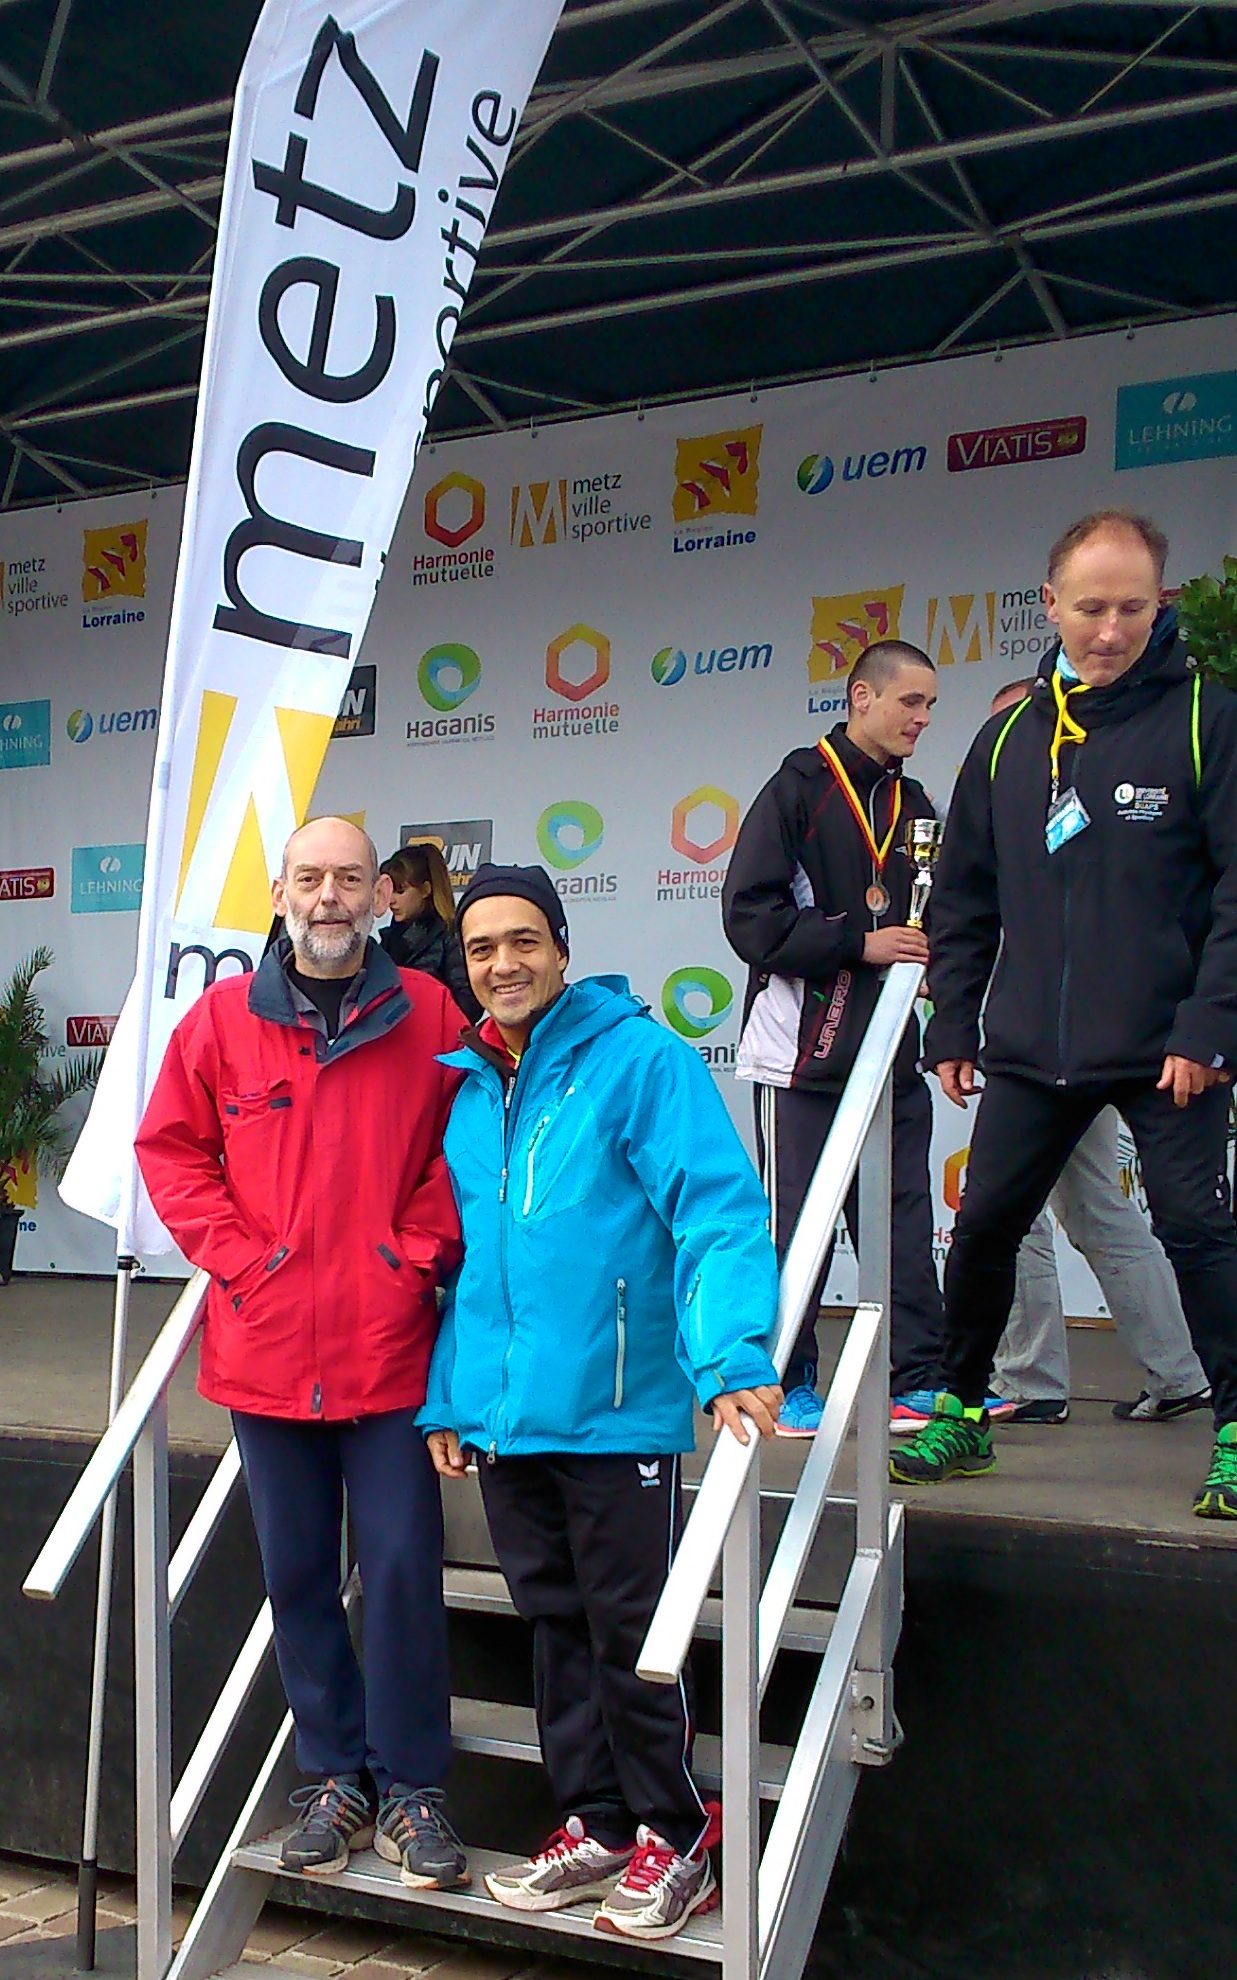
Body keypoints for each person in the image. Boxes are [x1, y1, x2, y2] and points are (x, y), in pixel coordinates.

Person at [421, 862, 782, 1941]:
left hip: (616, 1406)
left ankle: (679, 1835)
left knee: (631, 1630)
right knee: (554, 1625)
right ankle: (599, 1822)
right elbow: (472, 1267)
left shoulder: (640, 1060)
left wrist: (728, 1356)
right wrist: (449, 1398)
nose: (502, 965)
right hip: (509, 1416)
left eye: (522, 941)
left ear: (562, 948)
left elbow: (716, 1210)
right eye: (481, 949)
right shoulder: (470, 1088)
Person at [136, 817, 471, 1886]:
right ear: (279, 893)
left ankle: (413, 1788)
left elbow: (464, 1151)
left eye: (351, 879)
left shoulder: (430, 1014)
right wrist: (243, 1261)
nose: (331, 897)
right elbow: (171, 1152)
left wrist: (410, 1256)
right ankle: (331, 1777)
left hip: (387, 1350)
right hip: (267, 1349)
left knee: (404, 1567)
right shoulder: (221, 1019)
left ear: (381, 895)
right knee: (294, 1573)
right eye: (311, 879)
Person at [891, 511, 1237, 1519]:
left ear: (1160, 603)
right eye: (1089, 608)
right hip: (1033, 1048)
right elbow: (963, 896)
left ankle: (1233, 1429)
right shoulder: (1008, 736)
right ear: (1049, 605)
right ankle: (962, 1409)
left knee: (1194, 1228)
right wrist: (954, 1024)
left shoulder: (1206, 719)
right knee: (984, 1227)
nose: (1109, 630)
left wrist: (1208, 1027)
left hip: (1169, 1047)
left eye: (1131, 608)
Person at [723, 639, 1002, 1437]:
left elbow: (936, 919)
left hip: (888, 1049)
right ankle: (785, 1379)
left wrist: (940, 991)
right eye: (910, 702)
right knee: (796, 1223)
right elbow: (749, 917)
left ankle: (918, 1379)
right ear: (861, 697)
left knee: (903, 1218)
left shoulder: (914, 804)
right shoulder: (797, 789)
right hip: (803, 1052)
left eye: (930, 706)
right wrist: (858, 941)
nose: (922, 719)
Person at [981, 680, 1210, 1426]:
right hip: (1052, 1038)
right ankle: (1177, 1369)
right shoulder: (1009, 806)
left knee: (1014, 1214)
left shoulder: (1106, 806)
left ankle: (1030, 1379)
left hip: (1074, 1044)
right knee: (1094, 1208)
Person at [379, 841, 480, 1020]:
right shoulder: (389, 941)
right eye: (389, 891)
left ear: (425, 890)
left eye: (400, 891)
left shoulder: (451, 935)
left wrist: (428, 1022)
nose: (391, 900)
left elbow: (468, 1005)